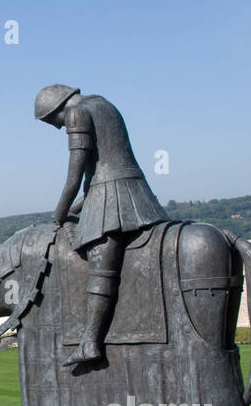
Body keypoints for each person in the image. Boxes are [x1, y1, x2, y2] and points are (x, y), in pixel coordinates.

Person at [34, 84, 168, 368]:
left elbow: (75, 174)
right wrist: (77, 208)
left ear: (57, 108)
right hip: (130, 190)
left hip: (113, 197)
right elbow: (107, 168)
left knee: (100, 262)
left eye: (52, 122)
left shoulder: (76, 113)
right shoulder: (104, 104)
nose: (57, 127)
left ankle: (90, 341)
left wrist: (59, 214)